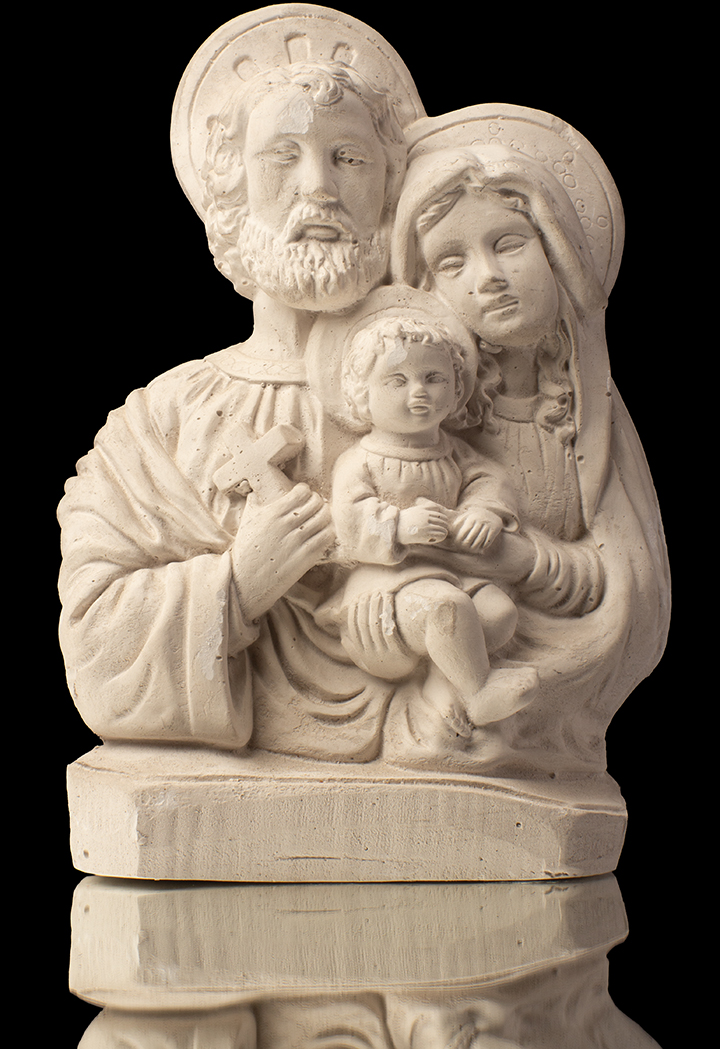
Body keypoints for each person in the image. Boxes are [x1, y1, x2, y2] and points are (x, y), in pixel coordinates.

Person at [58, 57, 413, 763]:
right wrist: (239, 582)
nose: (319, 186)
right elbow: (96, 644)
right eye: (283, 155)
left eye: (348, 157)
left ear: (389, 187)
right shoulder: (157, 424)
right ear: (232, 190)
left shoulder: (447, 394)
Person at [389, 137, 670, 774]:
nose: (488, 276)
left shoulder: (589, 418)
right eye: (452, 262)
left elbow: (631, 585)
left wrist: (522, 560)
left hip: (561, 678)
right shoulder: (421, 419)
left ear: (557, 253)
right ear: (424, 289)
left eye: (509, 244)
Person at [327, 310, 539, 737]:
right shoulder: (359, 461)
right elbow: (349, 523)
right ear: (362, 394)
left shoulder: (455, 452)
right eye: (397, 381)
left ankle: (444, 681)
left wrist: (484, 513)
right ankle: (479, 694)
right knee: (448, 610)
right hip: (388, 584)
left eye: (433, 378)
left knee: (498, 613)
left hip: (449, 574)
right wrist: (400, 525)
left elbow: (487, 481)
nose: (419, 392)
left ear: (457, 388)